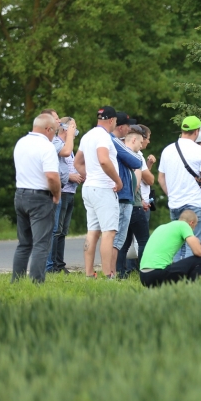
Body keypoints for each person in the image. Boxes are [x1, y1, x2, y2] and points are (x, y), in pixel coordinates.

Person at [158, 116, 201, 261]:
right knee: (193, 243)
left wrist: (171, 195)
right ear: (196, 131)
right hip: (195, 203)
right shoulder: (200, 151)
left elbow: (161, 178)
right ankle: (189, 278)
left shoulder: (167, 150)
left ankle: (176, 277)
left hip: (175, 203)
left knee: (178, 243)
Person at [74, 106, 123, 279]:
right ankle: (109, 275)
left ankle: (89, 274)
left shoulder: (88, 135)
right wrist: (117, 180)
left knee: (92, 231)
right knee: (109, 232)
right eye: (116, 121)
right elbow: (103, 160)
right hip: (103, 188)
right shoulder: (103, 136)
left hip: (89, 188)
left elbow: (77, 163)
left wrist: (89, 176)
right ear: (111, 120)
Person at [11, 113, 61, 283]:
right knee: (41, 243)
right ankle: (36, 282)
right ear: (48, 129)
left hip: (20, 194)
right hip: (40, 197)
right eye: (54, 131)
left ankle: (16, 281)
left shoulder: (21, 143)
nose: (54, 135)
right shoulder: (46, 147)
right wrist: (57, 194)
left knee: (24, 243)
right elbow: (52, 177)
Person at [47, 117, 82, 273]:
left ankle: (59, 264)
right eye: (73, 127)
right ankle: (52, 265)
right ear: (65, 128)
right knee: (56, 230)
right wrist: (70, 177)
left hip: (70, 191)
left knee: (62, 231)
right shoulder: (56, 144)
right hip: (62, 190)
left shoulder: (66, 146)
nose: (75, 131)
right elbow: (55, 168)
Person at [139, 210, 201, 288]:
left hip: (143, 276)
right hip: (157, 273)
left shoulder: (161, 227)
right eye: (195, 226)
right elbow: (198, 252)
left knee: (174, 264)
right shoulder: (184, 225)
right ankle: (189, 291)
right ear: (191, 223)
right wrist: (196, 241)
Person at [111, 114, 143, 274]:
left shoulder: (110, 142)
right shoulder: (116, 144)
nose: (129, 128)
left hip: (122, 195)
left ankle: (115, 271)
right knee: (118, 238)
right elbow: (137, 163)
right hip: (124, 197)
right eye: (127, 125)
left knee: (120, 238)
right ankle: (114, 272)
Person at [116, 130, 151, 278]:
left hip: (121, 203)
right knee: (144, 240)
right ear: (134, 140)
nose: (142, 146)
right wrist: (139, 198)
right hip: (134, 205)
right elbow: (135, 184)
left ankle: (120, 272)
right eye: (141, 143)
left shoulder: (118, 156)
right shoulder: (134, 158)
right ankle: (144, 271)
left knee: (123, 242)